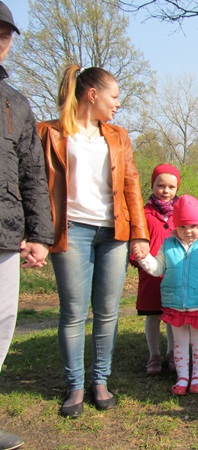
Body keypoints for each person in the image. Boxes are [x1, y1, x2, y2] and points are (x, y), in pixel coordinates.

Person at [37, 65, 150, 418]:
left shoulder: (118, 136)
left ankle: (100, 380)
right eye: (114, 96)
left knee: (108, 311)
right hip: (71, 231)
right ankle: (74, 385)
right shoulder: (49, 132)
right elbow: (36, 186)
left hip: (113, 233)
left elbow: (131, 184)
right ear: (92, 95)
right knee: (73, 312)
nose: (118, 103)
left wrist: (139, 234)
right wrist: (34, 233)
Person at [0, 3, 54, 447]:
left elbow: (33, 174)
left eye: (5, 33)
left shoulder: (16, 103)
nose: (0, 40)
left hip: (5, 233)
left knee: (2, 323)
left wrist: (39, 234)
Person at [135, 195, 198, 395]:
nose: (188, 231)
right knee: (179, 344)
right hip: (175, 305)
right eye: (183, 226)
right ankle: (183, 377)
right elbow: (158, 268)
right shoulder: (168, 244)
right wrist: (144, 258)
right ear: (176, 225)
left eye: (193, 226)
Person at [131, 164, 180, 375]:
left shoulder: (181, 213)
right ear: (153, 185)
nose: (166, 190)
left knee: (172, 314)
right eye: (161, 185)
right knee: (152, 315)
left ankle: (172, 353)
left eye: (171, 186)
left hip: (175, 273)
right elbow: (136, 240)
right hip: (151, 274)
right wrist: (139, 259)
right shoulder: (143, 213)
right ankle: (154, 355)